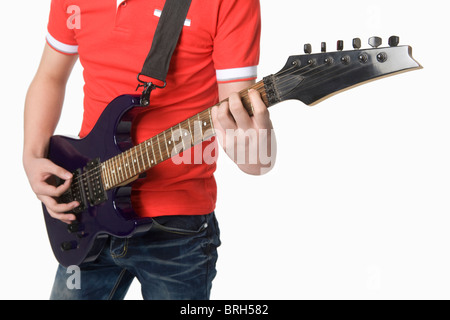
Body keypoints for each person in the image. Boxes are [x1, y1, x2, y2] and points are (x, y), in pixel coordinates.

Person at [23, 0, 276, 300]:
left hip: (179, 231)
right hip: (87, 206)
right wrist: (32, 156)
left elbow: (243, 131)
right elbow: (50, 75)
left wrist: (256, 154)